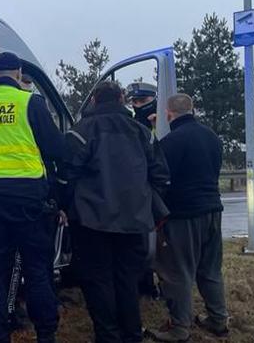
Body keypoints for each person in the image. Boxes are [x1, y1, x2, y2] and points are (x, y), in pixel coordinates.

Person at [0, 52, 64, 343]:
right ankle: (45, 335)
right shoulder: (30, 102)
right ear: (19, 73)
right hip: (27, 201)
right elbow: (57, 148)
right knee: (37, 270)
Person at [64, 80, 170, 343]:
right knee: (127, 281)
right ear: (122, 99)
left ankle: (108, 336)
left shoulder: (80, 132)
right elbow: (161, 175)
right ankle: (132, 335)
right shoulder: (143, 132)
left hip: (90, 222)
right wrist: (146, 202)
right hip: (134, 221)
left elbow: (66, 175)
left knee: (97, 281)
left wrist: (67, 207)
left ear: (94, 101)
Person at [148, 93, 230, 342]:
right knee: (210, 270)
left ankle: (179, 328)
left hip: (183, 216)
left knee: (177, 272)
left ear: (169, 114)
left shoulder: (171, 142)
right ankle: (218, 320)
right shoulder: (212, 138)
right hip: (213, 211)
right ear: (192, 110)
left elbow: (161, 177)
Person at [125, 81, 161, 299]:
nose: (139, 105)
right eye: (135, 101)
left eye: (143, 101)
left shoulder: (162, 119)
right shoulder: (130, 124)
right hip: (139, 189)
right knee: (142, 241)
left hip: (156, 187)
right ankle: (145, 284)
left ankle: (158, 284)